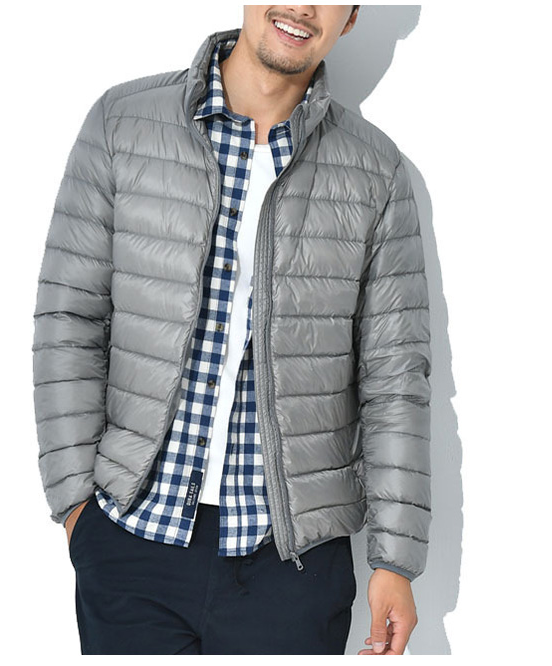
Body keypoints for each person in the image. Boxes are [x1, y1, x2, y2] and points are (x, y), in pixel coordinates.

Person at [32, 4, 432, 656]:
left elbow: (395, 378)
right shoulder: (123, 123)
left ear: (353, 17)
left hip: (293, 565)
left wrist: (395, 559)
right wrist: (78, 507)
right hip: (133, 541)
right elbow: (69, 319)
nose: (302, 6)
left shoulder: (376, 171)